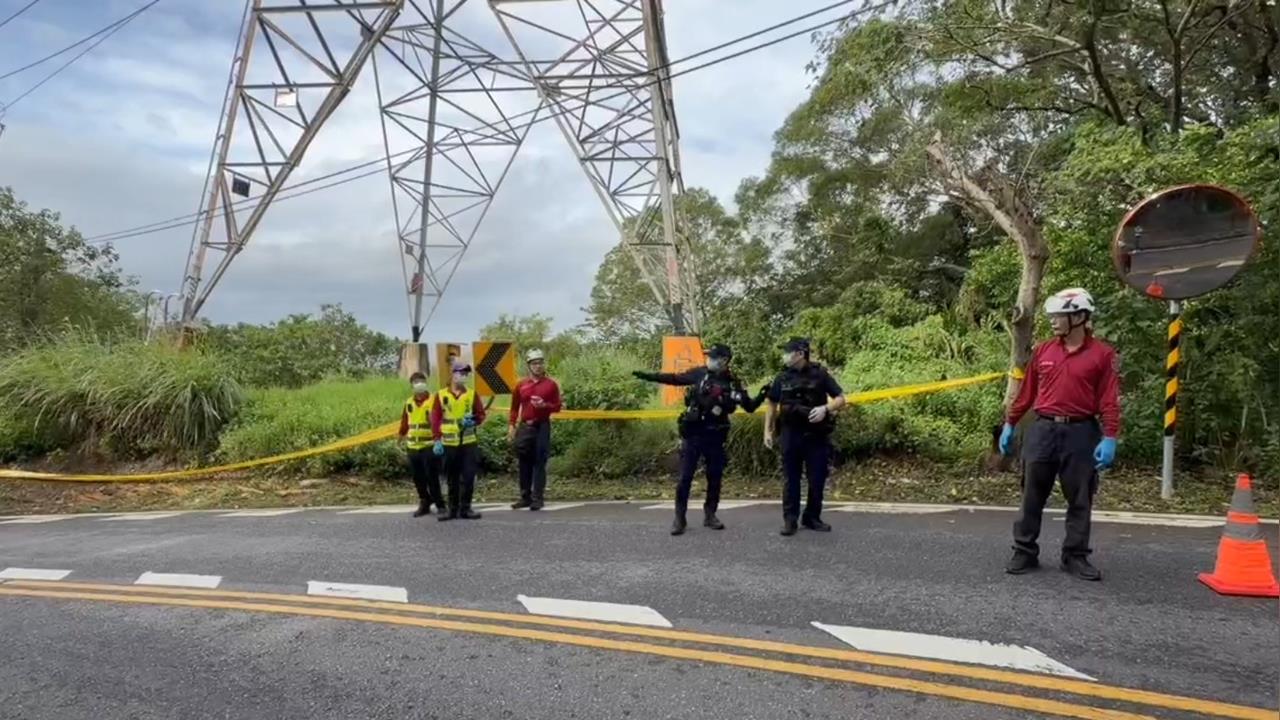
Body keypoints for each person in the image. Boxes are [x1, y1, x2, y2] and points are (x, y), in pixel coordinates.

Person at [998, 287, 1120, 581]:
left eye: (1059, 316)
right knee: (1031, 495)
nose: (1053, 321)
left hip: (1081, 432)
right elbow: (1027, 392)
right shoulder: (1043, 350)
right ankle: (1024, 551)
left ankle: (1074, 556)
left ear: (1078, 317)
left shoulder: (1103, 355)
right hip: (1042, 429)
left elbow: (1109, 398)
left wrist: (1110, 436)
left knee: (1080, 497)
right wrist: (1010, 423)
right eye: (1052, 316)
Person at [632, 344, 767, 535]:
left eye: (713, 357)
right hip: (693, 433)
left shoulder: (732, 382)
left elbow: (750, 407)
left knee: (715, 477)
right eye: (709, 356)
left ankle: (710, 515)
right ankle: (680, 518)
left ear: (724, 360)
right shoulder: (699, 374)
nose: (709, 359)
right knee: (685, 477)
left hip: (715, 435)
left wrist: (762, 394)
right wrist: (649, 376)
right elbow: (674, 379)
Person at [764, 338, 847, 537]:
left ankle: (812, 517)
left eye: (788, 352)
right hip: (790, 434)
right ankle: (790, 519)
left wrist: (825, 408)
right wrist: (767, 431)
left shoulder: (820, 374)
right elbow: (771, 403)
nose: (785, 356)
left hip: (815, 435)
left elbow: (841, 398)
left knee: (816, 478)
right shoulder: (782, 378)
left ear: (800, 354)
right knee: (790, 479)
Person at [431, 360, 487, 521]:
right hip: (448, 444)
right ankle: (452, 509)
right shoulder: (441, 395)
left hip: (468, 443)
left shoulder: (471, 394)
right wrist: (436, 439)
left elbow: (481, 414)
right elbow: (435, 419)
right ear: (453, 375)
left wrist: (474, 421)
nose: (463, 376)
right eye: (460, 373)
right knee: (451, 478)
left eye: (465, 373)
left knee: (468, 477)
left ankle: (466, 508)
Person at [508, 349, 562, 510]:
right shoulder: (521, 385)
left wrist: (544, 405)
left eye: (540, 363)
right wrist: (511, 425)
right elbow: (514, 407)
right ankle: (525, 497)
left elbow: (557, 406)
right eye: (534, 363)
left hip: (542, 426)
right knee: (524, 462)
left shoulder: (550, 385)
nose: (538, 366)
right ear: (529, 366)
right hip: (525, 426)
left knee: (539, 462)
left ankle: (538, 497)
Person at [397, 372, 446, 518]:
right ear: (411, 385)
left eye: (421, 381)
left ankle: (440, 504)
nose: (418, 384)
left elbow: (440, 421)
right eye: (415, 382)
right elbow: (405, 422)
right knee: (417, 477)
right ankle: (424, 502)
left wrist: (439, 439)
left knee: (432, 476)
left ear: (425, 383)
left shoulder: (434, 401)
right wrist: (399, 438)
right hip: (413, 445)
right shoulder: (409, 403)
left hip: (429, 444)